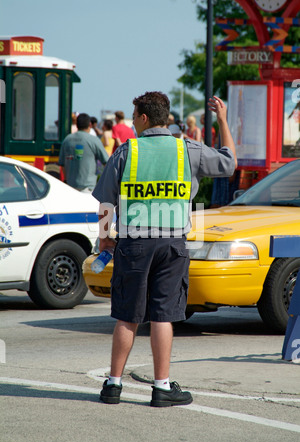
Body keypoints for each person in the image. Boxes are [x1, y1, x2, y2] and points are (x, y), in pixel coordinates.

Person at [92, 92, 236, 407]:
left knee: (127, 316)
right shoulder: (187, 150)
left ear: (144, 118)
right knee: (163, 315)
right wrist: (223, 120)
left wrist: (105, 240)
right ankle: (161, 388)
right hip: (172, 242)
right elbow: (228, 163)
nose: (131, 121)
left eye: (134, 116)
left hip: (134, 243)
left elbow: (105, 202)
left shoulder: (125, 152)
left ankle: (113, 386)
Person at [59, 113, 108, 192]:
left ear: (77, 125)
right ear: (90, 125)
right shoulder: (94, 140)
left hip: (70, 187)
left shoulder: (67, 140)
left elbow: (62, 164)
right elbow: (107, 163)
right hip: (88, 188)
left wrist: (66, 180)